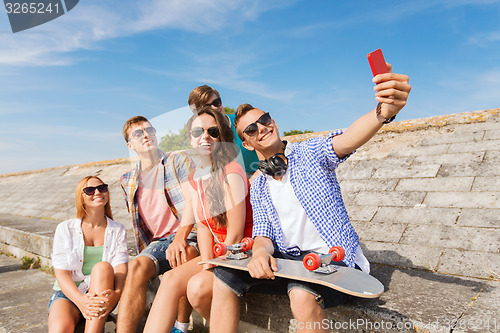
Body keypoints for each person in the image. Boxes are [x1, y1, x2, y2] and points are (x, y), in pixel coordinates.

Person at [210, 64, 411, 333]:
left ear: (274, 122)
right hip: (290, 263)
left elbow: (347, 139)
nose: (262, 128)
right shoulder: (257, 185)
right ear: (246, 143)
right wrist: (259, 253)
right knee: (223, 276)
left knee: (301, 294)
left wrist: (383, 113)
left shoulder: (311, 154)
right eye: (251, 129)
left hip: (332, 259)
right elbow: (263, 234)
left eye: (265, 120)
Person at [143, 107, 253, 332]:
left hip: (242, 250)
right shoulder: (195, 176)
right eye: (198, 132)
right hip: (219, 252)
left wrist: (213, 266)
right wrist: (206, 263)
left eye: (212, 131)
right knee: (171, 280)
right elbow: (203, 226)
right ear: (190, 139)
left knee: (197, 287)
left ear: (221, 136)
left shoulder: (231, 171)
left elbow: (236, 231)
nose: (205, 137)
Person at [117, 116, 198, 333]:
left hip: (190, 233)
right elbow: (139, 223)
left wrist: (180, 238)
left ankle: (180, 327)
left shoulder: (177, 161)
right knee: (135, 267)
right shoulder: (128, 180)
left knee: (183, 254)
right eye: (138, 133)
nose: (146, 135)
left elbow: (192, 202)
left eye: (149, 130)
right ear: (129, 145)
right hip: (159, 242)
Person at [48, 176, 128, 333]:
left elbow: (120, 267)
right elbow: (61, 273)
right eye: (90, 190)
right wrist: (80, 300)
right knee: (59, 330)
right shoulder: (65, 229)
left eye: (102, 188)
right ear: (81, 198)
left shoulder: (118, 230)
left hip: (101, 293)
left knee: (103, 268)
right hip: (68, 295)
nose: (97, 192)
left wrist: (117, 294)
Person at [188, 85, 260, 177]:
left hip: (259, 175)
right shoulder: (204, 137)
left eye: (216, 102)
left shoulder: (242, 121)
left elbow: (264, 150)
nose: (215, 108)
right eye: (207, 107)